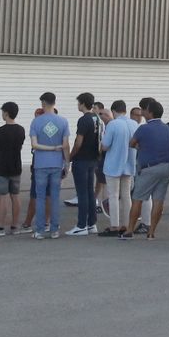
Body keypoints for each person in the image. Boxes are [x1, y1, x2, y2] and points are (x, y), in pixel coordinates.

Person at [124, 100, 169, 239]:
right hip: (165, 167)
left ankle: (129, 230)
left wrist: (141, 147)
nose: (142, 112)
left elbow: (132, 143)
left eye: (144, 110)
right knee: (158, 200)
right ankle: (151, 232)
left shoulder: (144, 128)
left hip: (148, 168)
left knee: (137, 199)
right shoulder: (166, 127)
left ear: (150, 112)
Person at [28, 93, 69, 239]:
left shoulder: (36, 122)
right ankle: (55, 229)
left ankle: (39, 230)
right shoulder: (63, 121)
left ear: (43, 103)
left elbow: (34, 144)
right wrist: (67, 163)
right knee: (55, 197)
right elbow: (65, 145)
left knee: (40, 197)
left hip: (40, 163)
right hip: (57, 163)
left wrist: (48, 148)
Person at [98, 100, 137, 236]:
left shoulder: (113, 125)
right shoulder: (134, 124)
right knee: (127, 196)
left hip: (114, 164)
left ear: (114, 112)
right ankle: (127, 225)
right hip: (129, 164)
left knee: (113, 196)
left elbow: (105, 145)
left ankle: (114, 225)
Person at [0, 102, 26, 237]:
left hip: (2, 167)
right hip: (16, 166)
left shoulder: (0, 131)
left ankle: (0, 227)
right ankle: (15, 226)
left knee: (2, 198)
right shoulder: (21, 130)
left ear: (6, 113)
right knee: (15, 196)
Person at [69, 92, 100, 236]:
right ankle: (91, 223)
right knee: (90, 192)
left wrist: (70, 156)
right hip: (93, 158)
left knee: (82, 193)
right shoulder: (97, 118)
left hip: (81, 160)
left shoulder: (84, 120)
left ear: (82, 103)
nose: (77, 105)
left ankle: (81, 224)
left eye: (78, 102)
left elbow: (78, 142)